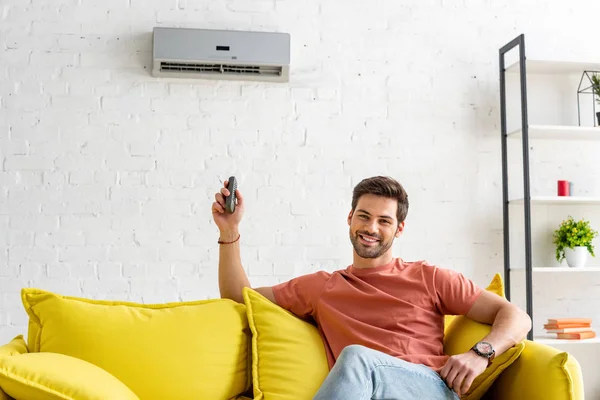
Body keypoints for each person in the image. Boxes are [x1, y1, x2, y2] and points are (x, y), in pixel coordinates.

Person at [212, 176, 531, 400]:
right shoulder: (324, 287)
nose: (371, 228)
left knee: (357, 359)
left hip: (427, 390)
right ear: (350, 218)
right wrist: (230, 230)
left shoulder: (429, 278)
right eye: (363, 216)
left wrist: (480, 354)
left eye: (384, 220)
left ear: (399, 229)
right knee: (358, 364)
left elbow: (516, 316)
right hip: (360, 393)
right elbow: (239, 298)